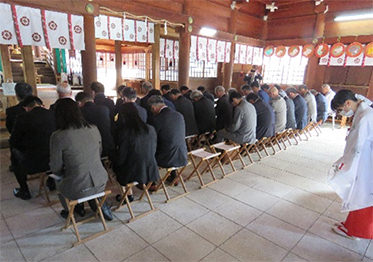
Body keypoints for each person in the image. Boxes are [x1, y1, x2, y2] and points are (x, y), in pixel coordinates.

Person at [50, 98, 112, 220]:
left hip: (76, 187)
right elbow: (99, 152)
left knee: (56, 178)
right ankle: (95, 203)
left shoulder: (58, 136)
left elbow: (55, 167)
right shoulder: (93, 128)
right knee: (81, 174)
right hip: (101, 180)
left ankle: (72, 210)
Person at [328, 89, 373, 240]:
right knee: (358, 195)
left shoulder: (365, 116)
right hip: (366, 159)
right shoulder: (364, 110)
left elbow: (357, 147)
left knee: (363, 196)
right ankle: (351, 225)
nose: (341, 113)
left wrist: (346, 164)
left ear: (348, 103)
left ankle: (356, 231)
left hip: (367, 163)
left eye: (341, 110)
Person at [10, 96, 56, 200]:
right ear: (41, 105)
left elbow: (13, 141)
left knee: (14, 154)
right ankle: (52, 182)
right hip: (54, 161)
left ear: (26, 108)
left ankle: (24, 190)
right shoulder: (53, 114)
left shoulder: (23, 118)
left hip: (34, 163)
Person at [113, 103, 160, 199]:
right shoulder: (150, 128)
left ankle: (128, 195)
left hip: (133, 172)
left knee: (117, 165)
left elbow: (122, 157)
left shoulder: (125, 132)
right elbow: (153, 148)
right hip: (151, 168)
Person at [148, 95, 188, 182]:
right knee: (170, 142)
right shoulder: (178, 115)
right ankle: (173, 176)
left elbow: (153, 139)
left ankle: (152, 182)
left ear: (153, 107)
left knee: (148, 150)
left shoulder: (157, 119)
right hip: (182, 154)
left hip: (166, 157)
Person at [75, 92, 114, 158]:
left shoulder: (79, 112)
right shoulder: (104, 109)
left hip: (91, 147)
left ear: (79, 103)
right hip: (108, 143)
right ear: (92, 100)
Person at [6, 82, 33, 172]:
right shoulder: (40, 109)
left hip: (21, 143)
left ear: (17, 95)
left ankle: (15, 166)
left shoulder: (11, 111)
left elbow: (10, 128)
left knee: (12, 141)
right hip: (39, 142)